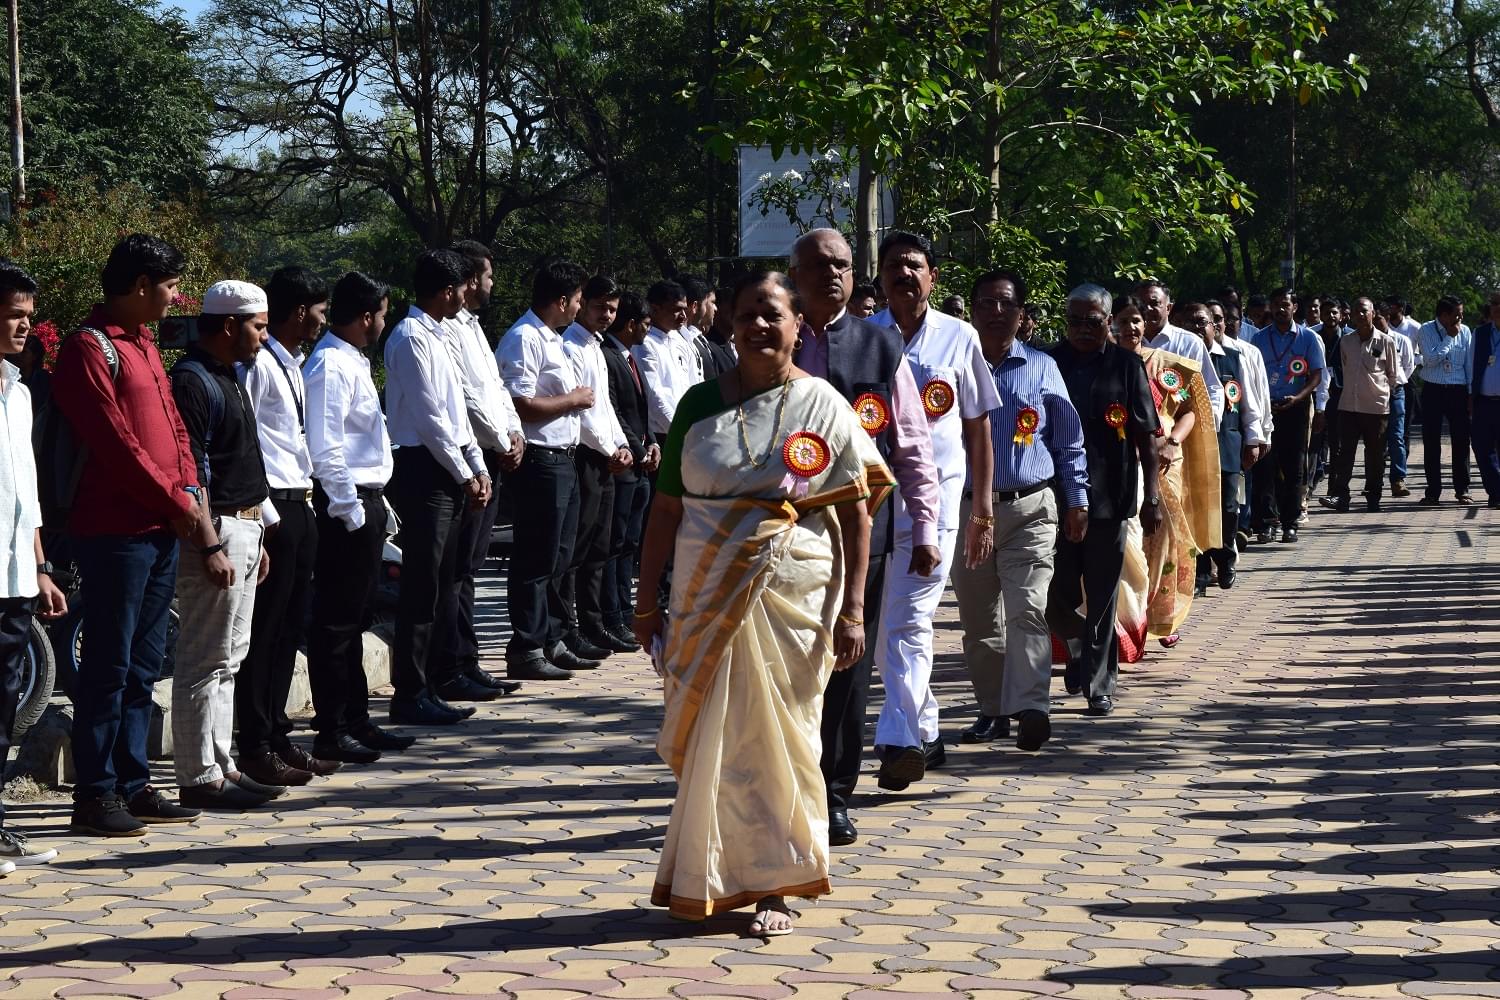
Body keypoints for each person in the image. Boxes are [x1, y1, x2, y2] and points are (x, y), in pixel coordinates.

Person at [633, 270, 891, 937]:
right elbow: (664, 508)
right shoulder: (695, 404)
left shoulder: (823, 404)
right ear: (730, 321)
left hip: (793, 597)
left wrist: (855, 609)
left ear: (798, 324)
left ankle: (777, 885)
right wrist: (644, 603)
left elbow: (858, 514)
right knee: (714, 739)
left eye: (772, 314)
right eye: (747, 313)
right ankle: (707, 877)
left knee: (785, 737)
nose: (758, 325)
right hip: (701, 594)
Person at [788, 228, 940, 846]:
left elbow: (911, 444)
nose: (832, 275)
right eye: (820, 265)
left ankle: (835, 792)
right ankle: (786, 788)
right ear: (794, 273)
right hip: (782, 533)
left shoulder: (881, 346)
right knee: (791, 666)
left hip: (861, 536)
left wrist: (925, 527)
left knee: (849, 667)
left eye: (843, 265)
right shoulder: (774, 341)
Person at [54, 234, 204, 837]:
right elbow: (117, 444)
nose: (174, 299)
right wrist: (175, 500)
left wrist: (189, 492)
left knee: (144, 665)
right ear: (141, 285)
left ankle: (133, 781)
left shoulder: (144, 343)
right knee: (108, 666)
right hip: (115, 532)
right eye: (168, 287)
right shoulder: (88, 348)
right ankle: (95, 794)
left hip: (161, 527)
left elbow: (174, 429)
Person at [870, 231, 997, 790]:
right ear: (877, 277)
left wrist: (983, 510)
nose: (904, 274)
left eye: (914, 266)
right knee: (885, 631)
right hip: (871, 505)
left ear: (933, 277)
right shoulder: (864, 338)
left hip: (939, 502)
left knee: (907, 620)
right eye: (894, 265)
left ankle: (897, 743)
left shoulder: (959, 336)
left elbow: (978, 424)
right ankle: (928, 730)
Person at [950, 268, 1086, 753]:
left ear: (1021, 313)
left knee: (1027, 608)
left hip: (1030, 506)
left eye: (1006, 303)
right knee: (980, 621)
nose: (996, 312)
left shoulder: (1043, 368)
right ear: (971, 309)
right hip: (967, 513)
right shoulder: (952, 367)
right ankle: (992, 711)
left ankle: (1033, 707)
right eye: (985, 302)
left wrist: (1078, 500)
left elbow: (1068, 441)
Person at [168, 280, 278, 811]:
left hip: (245, 528)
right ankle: (197, 775)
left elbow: (243, 459)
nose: (264, 335)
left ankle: (222, 764)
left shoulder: (230, 374)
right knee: (203, 657)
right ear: (230, 325)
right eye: (258, 325)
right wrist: (210, 542)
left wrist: (260, 533)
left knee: (230, 658)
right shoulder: (192, 379)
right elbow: (193, 469)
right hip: (218, 531)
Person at [236, 267, 340, 787]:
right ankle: (253, 741)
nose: (323, 321)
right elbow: (248, 437)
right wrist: (268, 513)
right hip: (273, 502)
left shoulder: (290, 363)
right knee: (266, 630)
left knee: (288, 627)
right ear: (300, 310)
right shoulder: (257, 362)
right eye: (320, 311)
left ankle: (277, 734)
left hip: (300, 498)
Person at [304, 272, 410, 764]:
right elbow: (326, 449)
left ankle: (357, 719)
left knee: (357, 617)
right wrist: (350, 513)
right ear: (366, 316)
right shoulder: (329, 363)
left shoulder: (352, 360)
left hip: (365, 501)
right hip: (344, 506)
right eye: (384, 314)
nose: (385, 323)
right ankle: (332, 728)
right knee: (336, 623)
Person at [383, 249, 490, 724]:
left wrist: (476, 464)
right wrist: (465, 471)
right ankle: (410, 691)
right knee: (422, 586)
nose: (468, 294)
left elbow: (457, 411)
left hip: (449, 466)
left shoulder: (441, 334)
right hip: (425, 467)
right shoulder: (410, 336)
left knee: (444, 579)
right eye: (463, 287)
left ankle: (433, 681)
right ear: (447, 290)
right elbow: (430, 418)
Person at [1047, 285, 1161, 716]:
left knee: (1102, 593)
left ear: (1108, 321)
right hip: (1055, 496)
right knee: (1051, 592)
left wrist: (1151, 496)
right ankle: (1079, 643)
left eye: (1091, 321)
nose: (1081, 329)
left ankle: (1099, 684)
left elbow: (1146, 437)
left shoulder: (1127, 365)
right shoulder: (1048, 362)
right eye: (1073, 320)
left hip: (1110, 495)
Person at [495, 257, 597, 680]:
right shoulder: (524, 337)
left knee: (560, 555)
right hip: (540, 459)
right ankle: (525, 646)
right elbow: (520, 403)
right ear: (560, 300)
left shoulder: (551, 338)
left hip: (565, 457)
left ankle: (552, 637)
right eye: (576, 301)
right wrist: (571, 401)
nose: (578, 308)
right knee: (535, 557)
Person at [0, 260, 68, 868]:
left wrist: (41, 568)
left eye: (29, 316)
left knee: (5, 703)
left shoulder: (19, 393)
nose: (25, 327)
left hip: (16, 574)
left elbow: (28, 495)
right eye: (14, 315)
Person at [437, 241, 525, 701]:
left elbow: (494, 388)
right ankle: (452, 664)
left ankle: (467, 661)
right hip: (471, 455)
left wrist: (513, 433)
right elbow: (465, 400)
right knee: (456, 570)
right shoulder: (445, 331)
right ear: (471, 280)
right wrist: (496, 440)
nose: (493, 285)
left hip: (492, 452)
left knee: (470, 566)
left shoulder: (473, 327)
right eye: (489, 276)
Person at [1110, 298, 1219, 656]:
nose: (1131, 328)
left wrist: (1173, 442)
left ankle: (1160, 617)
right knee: (1126, 544)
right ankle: (1127, 618)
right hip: (1118, 464)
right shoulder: (1103, 364)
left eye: (1137, 321)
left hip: (1165, 465)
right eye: (1124, 321)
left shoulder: (1167, 366)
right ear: (1112, 324)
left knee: (1163, 541)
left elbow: (1188, 410)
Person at [559, 275, 635, 657]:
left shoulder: (597, 347)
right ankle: (570, 627)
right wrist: (608, 449)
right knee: (580, 546)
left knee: (601, 547)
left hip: (608, 455)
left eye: (613, 309)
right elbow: (582, 410)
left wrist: (621, 444)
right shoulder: (570, 345)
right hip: (587, 455)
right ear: (582, 302)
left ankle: (595, 623)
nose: (606, 314)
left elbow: (604, 406)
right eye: (600, 306)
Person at [599, 292, 659, 647]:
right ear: (632, 323)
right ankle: (613, 614)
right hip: (624, 461)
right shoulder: (608, 356)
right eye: (646, 324)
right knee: (615, 542)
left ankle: (625, 611)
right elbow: (615, 411)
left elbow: (642, 409)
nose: (648, 331)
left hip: (641, 460)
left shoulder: (630, 357)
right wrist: (637, 449)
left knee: (631, 543)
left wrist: (651, 441)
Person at [1195, 300, 1266, 591]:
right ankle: (1199, 571)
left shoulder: (1234, 358)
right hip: (1193, 448)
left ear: (1216, 327)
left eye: (1205, 323)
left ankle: (1225, 558)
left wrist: (1254, 439)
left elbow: (1248, 402)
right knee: (1198, 507)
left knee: (1227, 506)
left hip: (1228, 444)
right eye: (1193, 323)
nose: (1199, 329)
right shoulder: (1180, 359)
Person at [1249, 288, 1325, 543]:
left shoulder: (1308, 338)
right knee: (1265, 465)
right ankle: (1267, 521)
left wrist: (1299, 397)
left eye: (1286, 304)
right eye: (1277, 304)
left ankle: (1290, 521)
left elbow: (1316, 375)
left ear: (1295, 307)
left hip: (1296, 407)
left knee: (1295, 466)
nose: (1281, 309)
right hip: (1265, 408)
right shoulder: (1258, 339)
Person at [1325, 298, 1399, 512]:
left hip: (1376, 408)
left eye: (1364, 311)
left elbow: (1393, 376)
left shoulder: (1386, 342)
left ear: (1373, 313)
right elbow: (1345, 366)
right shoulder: (1346, 341)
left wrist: (1383, 395)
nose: (1359, 314)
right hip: (1348, 405)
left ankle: (1373, 496)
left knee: (1375, 455)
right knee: (1344, 453)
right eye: (1355, 310)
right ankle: (1341, 496)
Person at [1133, 280, 1224, 426]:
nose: (1148, 309)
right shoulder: (1126, 342)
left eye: (1155, 303)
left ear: (1168, 308)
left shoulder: (1190, 342)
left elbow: (1211, 388)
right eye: (1141, 305)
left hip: (1183, 432)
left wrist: (1207, 425)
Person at [1415, 295, 1474, 505]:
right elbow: (1429, 361)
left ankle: (1462, 489)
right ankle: (1433, 491)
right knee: (1431, 442)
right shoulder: (1426, 330)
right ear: (1444, 315)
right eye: (1457, 314)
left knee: (1461, 440)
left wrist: (1470, 393)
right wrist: (1449, 337)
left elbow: (1468, 365)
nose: (1461, 317)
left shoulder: (1465, 331)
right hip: (1433, 390)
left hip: (1457, 391)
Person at [633, 281, 696, 439]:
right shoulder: (645, 344)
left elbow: (691, 385)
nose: (683, 316)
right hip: (664, 434)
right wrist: (681, 430)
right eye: (676, 310)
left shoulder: (679, 339)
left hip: (688, 429)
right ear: (655, 309)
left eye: (684, 309)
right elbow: (654, 396)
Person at [1470, 290, 1500, 509]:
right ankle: (1495, 491)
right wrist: (1469, 397)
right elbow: (1470, 366)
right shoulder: (1480, 333)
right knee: (1481, 448)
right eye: (1495, 304)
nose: (1497, 308)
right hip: (1483, 402)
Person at [681, 275, 732, 379]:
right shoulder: (682, 342)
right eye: (712, 302)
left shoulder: (700, 340)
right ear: (696, 306)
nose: (715, 308)